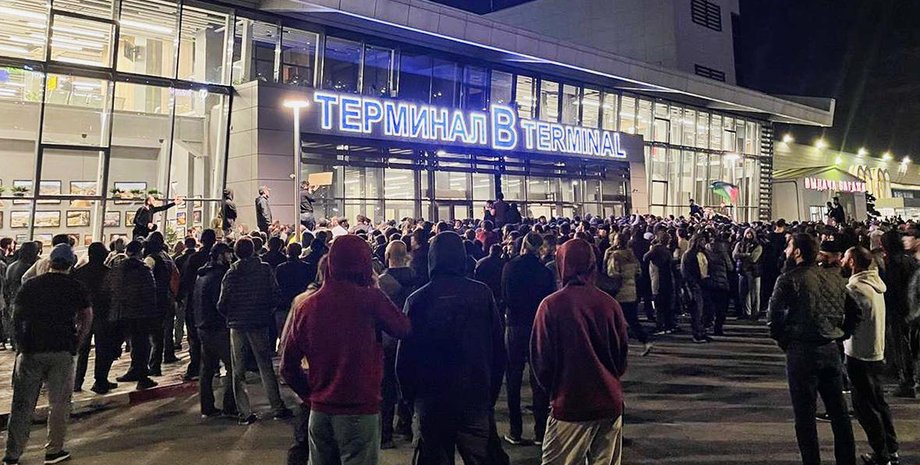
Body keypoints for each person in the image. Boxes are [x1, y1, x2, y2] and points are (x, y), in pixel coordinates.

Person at [280, 235, 411, 465]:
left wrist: (311, 395)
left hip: (320, 410)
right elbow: (402, 328)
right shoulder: (370, 298)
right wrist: (374, 287)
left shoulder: (306, 306)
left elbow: (287, 367)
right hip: (359, 408)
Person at [397, 232, 509, 465]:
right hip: (474, 395)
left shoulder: (418, 300)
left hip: (431, 400)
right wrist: (490, 393)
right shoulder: (481, 294)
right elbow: (498, 349)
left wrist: (413, 401)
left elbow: (404, 360)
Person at [531, 238, 629, 465]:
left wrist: (554, 392)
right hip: (609, 401)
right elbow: (621, 356)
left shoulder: (551, 305)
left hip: (571, 402)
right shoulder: (609, 304)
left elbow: (541, 361)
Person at [768, 233, 856, 465]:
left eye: (789, 246)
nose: (787, 250)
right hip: (830, 349)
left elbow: (774, 319)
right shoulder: (834, 278)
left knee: (805, 415)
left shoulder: (789, 279)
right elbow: (854, 312)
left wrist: (786, 342)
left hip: (802, 350)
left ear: (797, 252)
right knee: (838, 411)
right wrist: (840, 333)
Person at [3, 244, 92, 465]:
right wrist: (77, 341)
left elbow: (17, 317)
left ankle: (12, 454)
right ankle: (54, 450)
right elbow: (86, 316)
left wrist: (20, 344)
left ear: (49, 263)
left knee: (22, 404)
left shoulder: (31, 285)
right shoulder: (75, 287)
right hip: (61, 349)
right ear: (70, 264)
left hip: (31, 350)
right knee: (59, 403)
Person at [217, 237, 291, 424]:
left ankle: (244, 412)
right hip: (259, 322)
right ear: (254, 250)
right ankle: (277, 406)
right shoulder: (264, 269)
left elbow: (222, 302)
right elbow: (275, 294)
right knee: (265, 365)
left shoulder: (231, 273)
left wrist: (230, 316)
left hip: (237, 323)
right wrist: (267, 310)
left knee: (238, 369)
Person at [842, 247, 899, 465]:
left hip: (859, 352)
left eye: (846, 258)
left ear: (853, 262)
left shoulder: (855, 288)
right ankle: (891, 448)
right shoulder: (876, 285)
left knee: (865, 407)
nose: (843, 262)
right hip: (876, 350)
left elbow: (849, 320)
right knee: (879, 402)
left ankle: (880, 453)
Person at [501, 232, 556, 445]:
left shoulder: (510, 268)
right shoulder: (544, 272)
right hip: (537, 326)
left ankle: (515, 430)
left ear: (522, 245)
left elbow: (505, 296)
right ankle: (540, 431)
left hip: (514, 325)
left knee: (513, 379)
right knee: (539, 379)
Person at [377, 240, 417, 448]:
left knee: (386, 388)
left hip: (387, 340)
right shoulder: (416, 278)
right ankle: (406, 425)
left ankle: (385, 434)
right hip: (410, 338)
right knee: (408, 383)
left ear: (387, 256)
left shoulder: (382, 282)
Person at [193, 243, 239, 419]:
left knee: (207, 369)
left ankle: (207, 406)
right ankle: (229, 405)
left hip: (202, 325)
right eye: (228, 254)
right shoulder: (219, 276)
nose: (230, 257)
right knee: (232, 366)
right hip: (217, 326)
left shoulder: (202, 275)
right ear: (221, 255)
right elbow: (221, 303)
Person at [111, 241, 160, 391]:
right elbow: (150, 292)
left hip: (123, 313)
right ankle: (142, 377)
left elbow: (113, 289)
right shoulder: (143, 269)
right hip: (141, 313)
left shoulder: (118, 268)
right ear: (140, 252)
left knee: (132, 344)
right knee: (142, 345)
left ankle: (133, 370)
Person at [72, 243, 117, 394]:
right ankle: (100, 380)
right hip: (104, 315)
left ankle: (77, 381)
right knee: (103, 349)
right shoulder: (109, 272)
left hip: (83, 314)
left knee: (82, 349)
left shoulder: (79, 273)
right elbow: (113, 294)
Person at [606, 232, 652, 355]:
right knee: (632, 319)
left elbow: (612, 273)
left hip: (619, 292)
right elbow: (638, 271)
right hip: (631, 290)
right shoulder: (631, 255)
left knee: (616, 321)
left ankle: (619, 346)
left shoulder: (615, 256)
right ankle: (644, 340)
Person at [2, 241, 40, 352]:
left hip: (12, 299)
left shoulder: (11, 266)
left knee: (15, 328)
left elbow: (6, 286)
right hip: (25, 303)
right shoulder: (28, 267)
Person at [274, 243, 310, 348]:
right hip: (302, 304)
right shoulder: (307, 267)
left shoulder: (280, 268)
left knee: (284, 334)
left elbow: (277, 286)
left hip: (283, 304)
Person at [681, 234, 711, 343]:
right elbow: (686, 272)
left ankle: (702, 331)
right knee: (697, 311)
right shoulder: (689, 255)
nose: (704, 243)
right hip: (694, 284)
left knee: (703, 310)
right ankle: (697, 333)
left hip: (704, 283)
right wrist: (690, 284)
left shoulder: (703, 253)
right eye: (702, 241)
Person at [733, 228, 763, 319]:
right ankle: (746, 312)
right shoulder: (739, 244)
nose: (749, 235)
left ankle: (755, 312)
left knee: (754, 293)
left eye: (750, 233)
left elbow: (753, 258)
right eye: (747, 233)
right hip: (742, 271)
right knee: (743, 293)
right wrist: (746, 255)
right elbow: (734, 255)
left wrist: (741, 255)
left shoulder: (758, 246)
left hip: (753, 271)